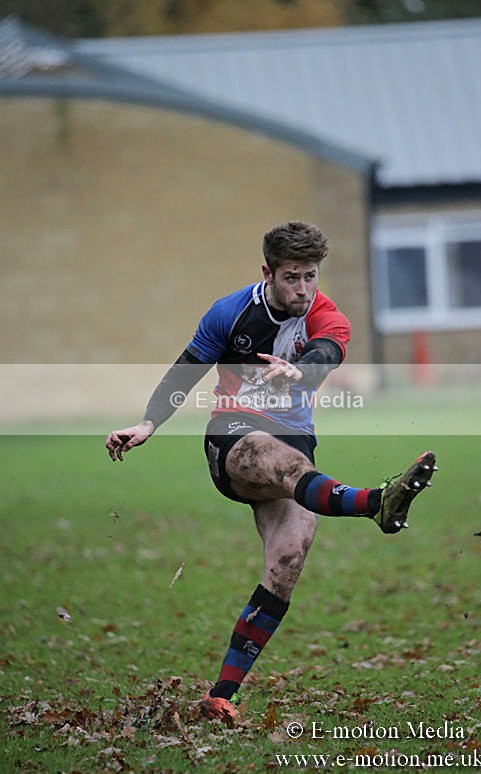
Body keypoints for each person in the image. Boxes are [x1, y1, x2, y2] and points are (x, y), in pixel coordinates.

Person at [105, 221, 437, 725]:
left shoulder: (327, 316)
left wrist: (300, 370)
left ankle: (221, 696)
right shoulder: (229, 312)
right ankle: (376, 502)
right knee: (275, 456)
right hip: (233, 437)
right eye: (292, 278)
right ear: (268, 272)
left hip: (295, 444)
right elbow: (186, 369)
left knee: (288, 555)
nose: (303, 289)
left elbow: (328, 353)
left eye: (310, 277)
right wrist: (149, 421)